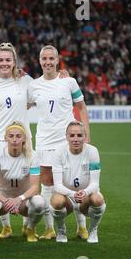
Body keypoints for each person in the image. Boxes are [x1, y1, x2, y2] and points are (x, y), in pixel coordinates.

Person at [28, 45, 90, 240]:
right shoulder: (33, 85)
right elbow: (22, 104)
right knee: (47, 183)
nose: (47, 62)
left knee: (73, 181)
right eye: (44, 59)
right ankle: (49, 228)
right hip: (45, 139)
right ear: (39, 61)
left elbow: (81, 107)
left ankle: (81, 227)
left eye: (51, 58)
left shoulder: (69, 82)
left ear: (57, 60)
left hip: (67, 139)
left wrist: (86, 134)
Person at [0, 42, 34, 239]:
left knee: (26, 179)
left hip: (23, 138)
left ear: (14, 62)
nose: (4, 63)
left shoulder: (25, 80)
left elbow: (32, 100)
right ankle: (6, 226)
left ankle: (27, 224)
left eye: (8, 60)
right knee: (1, 182)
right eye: (1, 60)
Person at [0, 122, 46, 243]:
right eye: (11, 136)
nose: (14, 140)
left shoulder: (33, 155)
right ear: (5, 138)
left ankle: (30, 228)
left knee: (39, 203)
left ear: (24, 138)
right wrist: (7, 202)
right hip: (3, 201)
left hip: (24, 201)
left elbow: (34, 187)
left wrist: (19, 199)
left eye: (18, 136)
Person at [50, 121, 106, 243]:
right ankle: (61, 231)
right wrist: (72, 194)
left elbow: (95, 183)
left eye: (79, 135)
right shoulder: (59, 152)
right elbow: (57, 185)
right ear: (66, 137)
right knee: (56, 200)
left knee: (98, 199)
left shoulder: (92, 151)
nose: (75, 139)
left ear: (85, 137)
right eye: (72, 135)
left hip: (86, 197)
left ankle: (93, 230)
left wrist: (85, 192)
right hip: (68, 198)